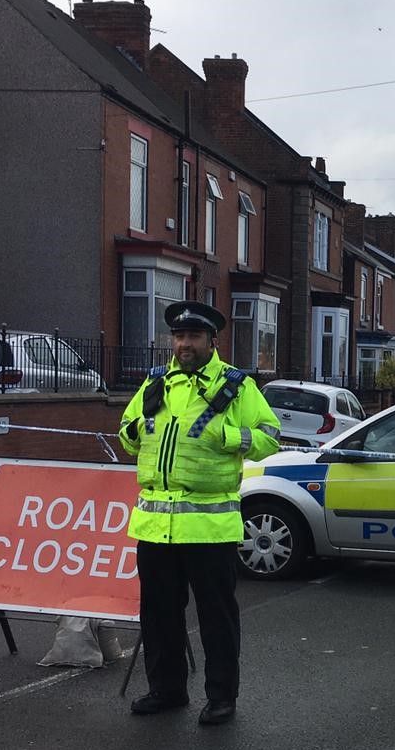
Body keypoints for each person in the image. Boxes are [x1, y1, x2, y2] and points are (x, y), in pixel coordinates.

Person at [118, 300, 281, 726]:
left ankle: (222, 697)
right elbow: (127, 434)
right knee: (158, 616)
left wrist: (225, 436)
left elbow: (269, 437)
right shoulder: (157, 382)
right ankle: (166, 691)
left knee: (216, 620)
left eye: (192, 337)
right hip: (155, 525)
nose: (183, 344)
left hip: (209, 527)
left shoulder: (236, 386)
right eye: (178, 336)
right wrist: (135, 430)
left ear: (212, 341)